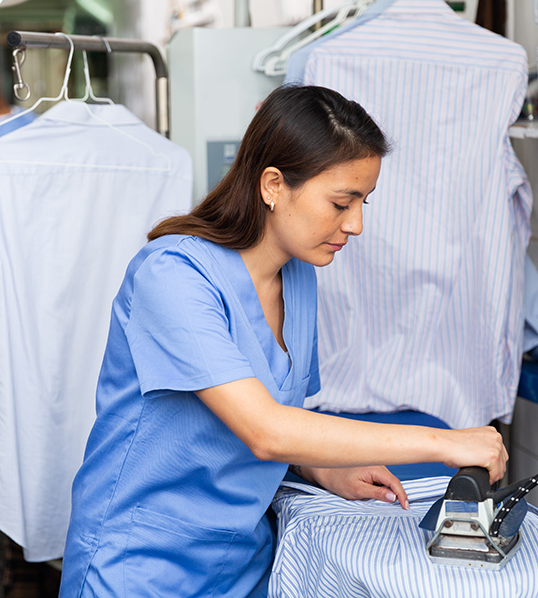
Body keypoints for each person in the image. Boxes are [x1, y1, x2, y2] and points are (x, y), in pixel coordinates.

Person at [58, 85, 508, 597]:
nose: (356, 224)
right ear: (273, 184)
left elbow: (263, 419)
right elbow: (265, 429)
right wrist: (444, 442)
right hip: (139, 567)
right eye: (341, 202)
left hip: (243, 563)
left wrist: (321, 467)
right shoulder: (173, 276)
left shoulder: (298, 278)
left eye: (363, 202)